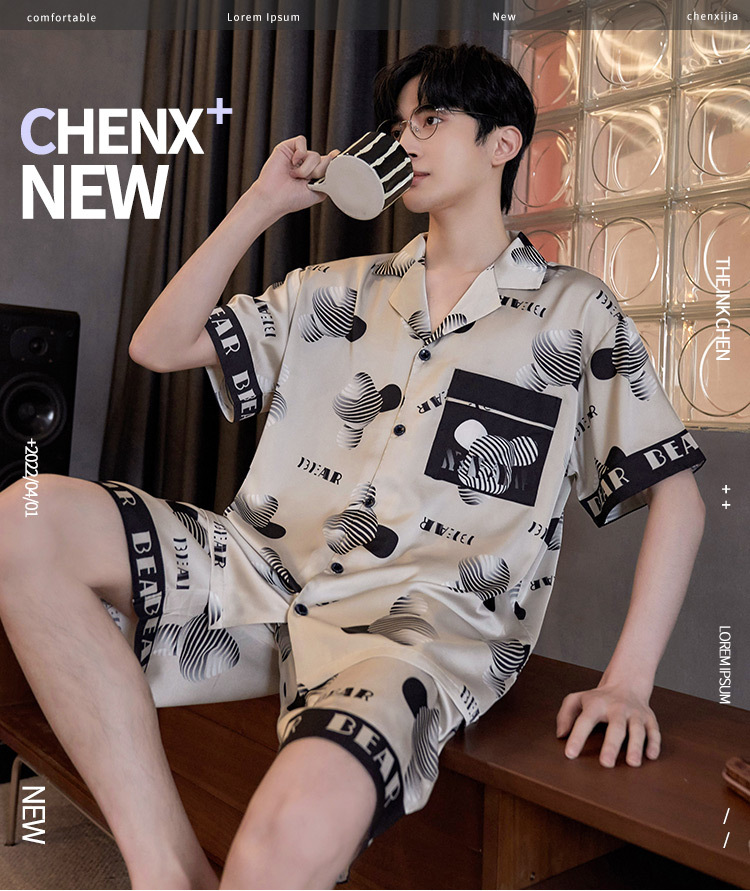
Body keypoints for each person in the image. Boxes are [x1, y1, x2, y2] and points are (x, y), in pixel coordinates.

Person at [0, 43, 706, 890]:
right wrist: (262, 203)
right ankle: (167, 872)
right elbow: (158, 343)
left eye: (431, 120)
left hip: (414, 629)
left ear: (503, 143)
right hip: (258, 576)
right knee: (24, 516)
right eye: (398, 125)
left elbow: (679, 498)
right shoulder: (333, 289)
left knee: (282, 842)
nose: (406, 140)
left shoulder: (574, 310)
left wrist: (628, 682)